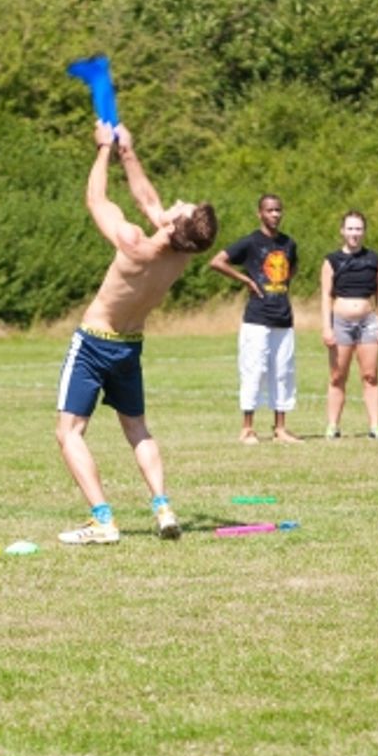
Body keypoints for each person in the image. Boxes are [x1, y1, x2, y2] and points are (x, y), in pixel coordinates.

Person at [54, 121, 219, 545]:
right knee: (137, 430)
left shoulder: (133, 242)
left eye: (180, 207)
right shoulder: (182, 255)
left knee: (69, 432)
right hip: (130, 348)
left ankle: (103, 520)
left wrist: (102, 150)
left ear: (172, 225)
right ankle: (163, 507)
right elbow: (150, 200)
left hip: (94, 342)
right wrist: (128, 151)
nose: (177, 201)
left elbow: (96, 198)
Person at [209, 194, 301, 444]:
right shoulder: (251, 242)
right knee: (254, 370)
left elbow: (291, 270)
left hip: (283, 317)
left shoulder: (288, 243)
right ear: (259, 213)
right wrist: (246, 280)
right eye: (270, 210)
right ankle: (247, 428)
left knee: (283, 371)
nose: (275, 215)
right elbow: (217, 261)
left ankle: (280, 428)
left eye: (278, 210)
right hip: (257, 318)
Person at [320, 211, 378, 440]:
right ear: (342, 231)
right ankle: (333, 425)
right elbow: (325, 296)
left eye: (358, 229)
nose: (354, 234)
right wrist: (327, 327)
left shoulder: (374, 259)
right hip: (341, 322)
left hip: (368, 322)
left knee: (370, 375)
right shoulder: (332, 261)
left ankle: (375, 426)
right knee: (338, 376)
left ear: (364, 231)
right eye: (350, 229)